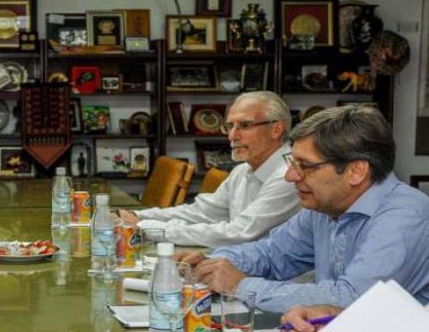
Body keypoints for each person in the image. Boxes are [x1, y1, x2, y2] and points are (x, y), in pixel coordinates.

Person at [178, 105, 429, 313]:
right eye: (291, 162)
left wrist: (241, 285)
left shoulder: (406, 215)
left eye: (305, 165)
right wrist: (215, 263)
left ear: (356, 171)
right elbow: (272, 254)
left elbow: (353, 300)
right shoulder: (324, 206)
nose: (290, 176)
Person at [119, 91, 300, 247]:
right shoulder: (242, 170)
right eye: (230, 126)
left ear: (276, 129)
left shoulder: (290, 175)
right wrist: (137, 216)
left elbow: (238, 233)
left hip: (282, 283)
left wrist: (147, 228)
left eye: (244, 125)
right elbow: (201, 213)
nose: (232, 136)